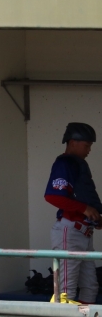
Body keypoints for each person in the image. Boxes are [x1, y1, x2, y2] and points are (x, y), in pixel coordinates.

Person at [45, 122, 102, 304]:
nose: (89, 150)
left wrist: (95, 218)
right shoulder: (64, 163)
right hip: (69, 231)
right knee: (66, 290)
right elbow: (52, 196)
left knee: (90, 287)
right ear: (72, 142)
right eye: (87, 145)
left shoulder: (77, 164)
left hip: (84, 233)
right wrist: (84, 209)